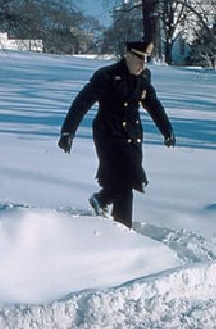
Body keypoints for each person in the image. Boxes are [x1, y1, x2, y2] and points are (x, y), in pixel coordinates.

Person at [58, 40, 175, 228]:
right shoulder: (107, 76)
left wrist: (167, 130)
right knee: (125, 178)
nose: (143, 64)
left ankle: (104, 202)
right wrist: (67, 131)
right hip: (109, 135)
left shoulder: (144, 77)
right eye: (139, 58)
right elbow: (82, 102)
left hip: (132, 135)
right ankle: (121, 225)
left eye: (146, 59)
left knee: (128, 180)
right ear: (128, 56)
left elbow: (153, 104)